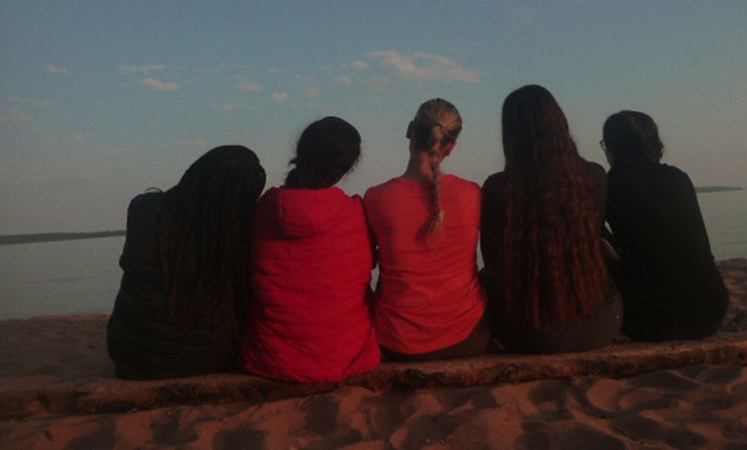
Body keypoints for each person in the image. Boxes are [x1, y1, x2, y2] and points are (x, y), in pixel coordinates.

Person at [480, 85, 622, 354]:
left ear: (510, 134)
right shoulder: (594, 177)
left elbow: (492, 261)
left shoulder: (499, 188)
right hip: (602, 324)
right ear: (560, 125)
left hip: (531, 334)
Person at [108, 145, 266, 380]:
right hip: (210, 361)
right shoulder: (244, 232)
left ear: (194, 172)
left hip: (132, 354)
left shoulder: (144, 209)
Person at [242, 117, 380, 383]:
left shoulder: (262, 210)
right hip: (348, 355)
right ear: (343, 171)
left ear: (300, 152)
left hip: (272, 359)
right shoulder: (355, 212)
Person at [364, 98, 489, 361]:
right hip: (468, 338)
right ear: (452, 147)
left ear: (409, 131)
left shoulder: (376, 198)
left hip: (397, 343)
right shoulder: (473, 194)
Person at [602, 110, 728, 341]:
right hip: (710, 311)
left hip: (649, 320)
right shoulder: (678, 178)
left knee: (594, 246)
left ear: (611, 148)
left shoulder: (611, 184)